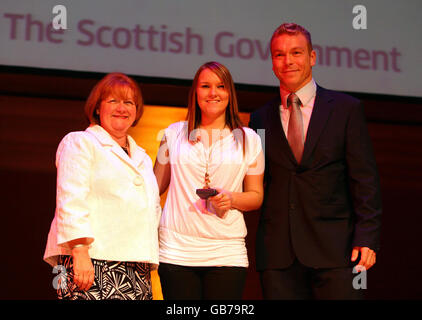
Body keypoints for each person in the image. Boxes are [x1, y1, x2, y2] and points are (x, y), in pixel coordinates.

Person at [249, 23, 382, 299]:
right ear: (272, 62)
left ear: (312, 57)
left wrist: (367, 236)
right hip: (279, 257)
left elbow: (365, 180)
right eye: (279, 55)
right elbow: (257, 181)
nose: (288, 61)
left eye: (296, 53)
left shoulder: (346, 109)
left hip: (337, 251)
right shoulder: (260, 118)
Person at [43, 73, 161, 300]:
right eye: (113, 101)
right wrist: (79, 250)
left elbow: (152, 209)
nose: (122, 108)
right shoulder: (80, 142)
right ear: (97, 107)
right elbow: (71, 197)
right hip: (90, 261)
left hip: (136, 266)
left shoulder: (143, 157)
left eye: (129, 102)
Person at [154, 61, 264, 300]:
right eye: (205, 86)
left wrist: (231, 199)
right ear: (195, 92)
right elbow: (152, 189)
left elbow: (256, 196)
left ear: (229, 93)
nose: (213, 92)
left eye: (221, 86)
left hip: (226, 252)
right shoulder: (173, 134)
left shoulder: (251, 139)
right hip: (176, 251)